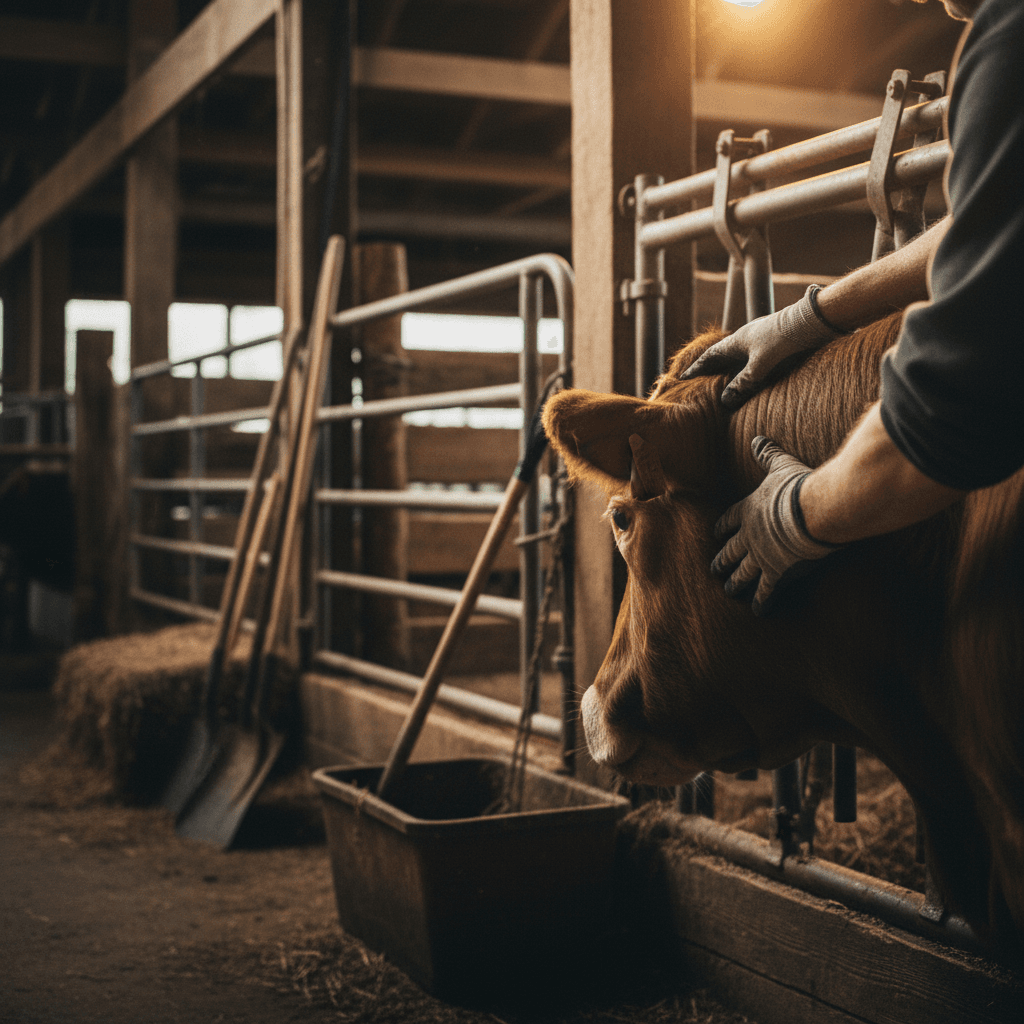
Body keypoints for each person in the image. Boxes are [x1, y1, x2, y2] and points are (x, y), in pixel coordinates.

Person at [681, 0, 1024, 615]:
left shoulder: (1012, 38)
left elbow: (953, 412)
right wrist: (811, 317)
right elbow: (994, 225)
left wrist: (796, 516)